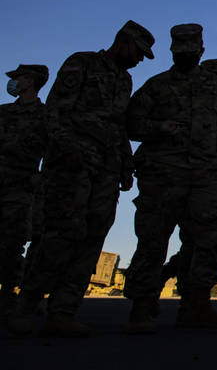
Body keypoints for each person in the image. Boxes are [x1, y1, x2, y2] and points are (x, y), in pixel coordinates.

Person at [7, 20, 155, 337]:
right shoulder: (82, 62)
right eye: (139, 52)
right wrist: (66, 150)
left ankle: (63, 311)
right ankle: (27, 304)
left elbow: (119, 126)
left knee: (92, 238)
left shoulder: (125, 80)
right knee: (60, 234)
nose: (139, 60)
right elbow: (56, 111)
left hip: (106, 170)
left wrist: (126, 166)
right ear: (124, 42)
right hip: (71, 166)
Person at [124, 25, 217, 333]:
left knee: (210, 237)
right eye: (182, 51)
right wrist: (158, 128)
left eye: (192, 50)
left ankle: (197, 304)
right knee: (152, 239)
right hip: (163, 174)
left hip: (206, 177)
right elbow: (132, 123)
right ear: (174, 52)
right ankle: (140, 307)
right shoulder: (157, 86)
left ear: (201, 52)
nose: (187, 55)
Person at [157, 58, 217, 303]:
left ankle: (188, 294)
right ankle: (190, 297)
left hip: (208, 175)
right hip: (194, 177)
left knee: (199, 238)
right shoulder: (188, 96)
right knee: (203, 237)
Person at [0, 64, 50, 315]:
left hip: (20, 187)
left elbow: (55, 149)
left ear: (29, 81)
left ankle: (8, 294)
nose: (13, 82)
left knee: (12, 242)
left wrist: (41, 177)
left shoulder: (45, 115)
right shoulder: (3, 112)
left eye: (17, 78)